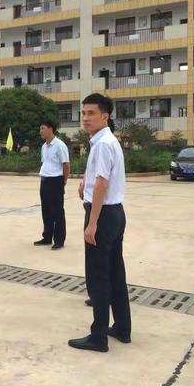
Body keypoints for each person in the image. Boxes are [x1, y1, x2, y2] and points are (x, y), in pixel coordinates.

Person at [69, 93, 131, 353]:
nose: (85, 118)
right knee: (115, 273)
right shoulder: (106, 141)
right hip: (115, 213)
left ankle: (98, 337)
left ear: (105, 116)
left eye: (91, 113)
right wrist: (86, 184)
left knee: (98, 277)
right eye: (83, 113)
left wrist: (92, 223)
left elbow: (103, 184)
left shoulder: (103, 143)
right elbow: (99, 179)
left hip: (103, 216)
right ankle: (122, 328)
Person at [33, 120, 70, 250]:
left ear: (50, 129)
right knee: (46, 210)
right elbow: (46, 163)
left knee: (57, 212)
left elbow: (66, 165)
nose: (40, 131)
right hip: (44, 181)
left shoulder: (60, 145)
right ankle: (47, 237)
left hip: (56, 181)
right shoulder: (44, 146)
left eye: (42, 128)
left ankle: (59, 240)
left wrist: (63, 181)